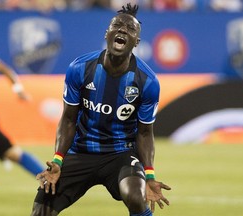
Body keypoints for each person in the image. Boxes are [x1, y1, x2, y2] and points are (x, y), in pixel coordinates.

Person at [30, 3, 171, 216]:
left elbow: (144, 132)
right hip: (81, 151)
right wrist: (58, 159)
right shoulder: (80, 68)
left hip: (121, 154)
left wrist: (149, 176)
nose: (122, 29)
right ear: (107, 33)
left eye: (130, 29)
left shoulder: (147, 81)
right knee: (42, 207)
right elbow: (68, 119)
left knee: (135, 196)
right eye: (117, 25)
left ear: (137, 42)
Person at [0, 31, 45, 203]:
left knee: (12, 154)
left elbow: (4, 68)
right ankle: (49, 179)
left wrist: (18, 90)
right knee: (12, 153)